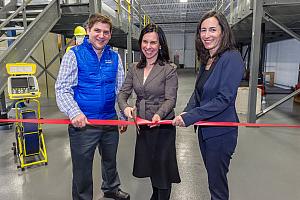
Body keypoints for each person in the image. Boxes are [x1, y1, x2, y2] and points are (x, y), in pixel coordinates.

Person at [55, 13, 129, 200]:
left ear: (110, 35)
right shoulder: (74, 54)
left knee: (110, 161)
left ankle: (111, 188)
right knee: (82, 168)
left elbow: (120, 90)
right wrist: (75, 113)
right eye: (97, 30)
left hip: (109, 120)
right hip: (84, 123)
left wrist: (121, 115)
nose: (101, 35)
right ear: (88, 30)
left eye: (105, 32)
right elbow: (62, 89)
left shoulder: (115, 57)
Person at [172, 11, 245, 200]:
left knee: (217, 185)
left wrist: (189, 117)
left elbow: (224, 98)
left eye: (212, 29)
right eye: (203, 30)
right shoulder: (208, 60)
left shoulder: (231, 57)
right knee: (213, 179)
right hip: (205, 131)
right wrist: (186, 111)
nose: (207, 35)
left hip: (221, 133)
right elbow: (199, 93)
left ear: (223, 31)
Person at [118, 23, 181, 200]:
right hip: (143, 126)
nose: (148, 46)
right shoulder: (134, 68)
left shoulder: (169, 69)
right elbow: (123, 94)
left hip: (162, 126)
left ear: (160, 44)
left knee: (162, 169)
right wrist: (127, 109)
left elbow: (171, 99)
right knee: (152, 167)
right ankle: (156, 195)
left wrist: (158, 115)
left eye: (153, 42)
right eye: (145, 42)